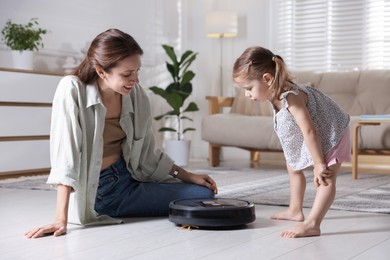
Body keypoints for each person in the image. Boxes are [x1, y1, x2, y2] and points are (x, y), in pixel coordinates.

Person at [25, 28, 217, 239]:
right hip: (103, 190)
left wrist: (188, 176)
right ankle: (114, 204)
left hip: (131, 176)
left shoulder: (136, 95)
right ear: (101, 71)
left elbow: (148, 155)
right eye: (127, 74)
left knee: (203, 194)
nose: (135, 80)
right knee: (198, 200)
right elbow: (66, 156)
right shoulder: (72, 89)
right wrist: (60, 219)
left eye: (137, 71)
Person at [232, 46, 351, 238]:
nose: (246, 94)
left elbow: (309, 130)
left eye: (248, 88)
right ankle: (295, 210)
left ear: (268, 79)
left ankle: (313, 223)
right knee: (292, 166)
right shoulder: (274, 95)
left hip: (332, 132)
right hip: (315, 132)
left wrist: (319, 164)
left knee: (325, 177)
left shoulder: (291, 97)